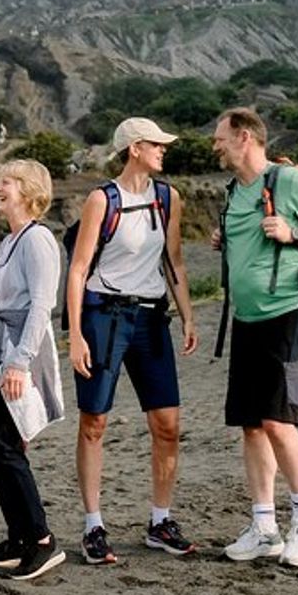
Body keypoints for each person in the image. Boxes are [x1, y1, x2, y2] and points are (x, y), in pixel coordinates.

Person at [211, 108, 298, 568]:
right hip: (247, 319)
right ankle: (264, 528)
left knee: (278, 420)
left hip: (290, 315)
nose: (214, 145)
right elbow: (248, 242)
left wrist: (295, 233)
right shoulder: (234, 192)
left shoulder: (287, 181)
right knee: (252, 424)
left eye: (220, 138)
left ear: (245, 137)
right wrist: (226, 240)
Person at [65, 117, 199, 565]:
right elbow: (79, 269)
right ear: (135, 148)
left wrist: (187, 317)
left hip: (150, 319)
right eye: (157, 144)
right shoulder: (102, 200)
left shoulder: (168, 198)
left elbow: (174, 260)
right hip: (104, 315)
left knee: (167, 425)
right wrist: (77, 333)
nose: (164, 150)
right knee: (94, 423)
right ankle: (93, 526)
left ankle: (160, 521)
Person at [0, 160, 66, 580]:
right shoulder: (12, 240)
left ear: (27, 190)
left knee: (6, 449)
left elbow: (42, 305)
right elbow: (12, 297)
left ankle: (42, 541)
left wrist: (19, 362)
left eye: (4, 182)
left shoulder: (38, 239)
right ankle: (19, 537)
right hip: (3, 349)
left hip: (18, 354)